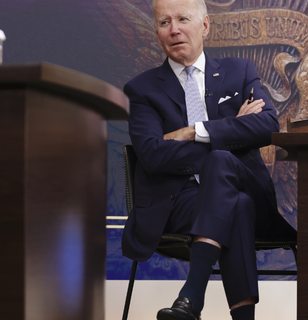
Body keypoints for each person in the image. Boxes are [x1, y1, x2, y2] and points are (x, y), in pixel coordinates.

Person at [121, 0, 296, 319]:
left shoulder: (239, 72)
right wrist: (230, 134)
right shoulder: (142, 90)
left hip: (254, 196)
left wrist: (193, 131)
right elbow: (153, 154)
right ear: (157, 31)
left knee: (224, 168)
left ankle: (192, 295)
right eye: (164, 22)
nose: (174, 29)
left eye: (183, 19)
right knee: (234, 201)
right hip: (179, 205)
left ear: (204, 25)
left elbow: (267, 125)